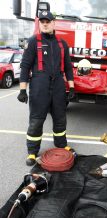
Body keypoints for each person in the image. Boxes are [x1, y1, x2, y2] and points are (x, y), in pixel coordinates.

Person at [17, 10, 75, 166]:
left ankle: (61, 144)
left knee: (60, 119)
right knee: (36, 120)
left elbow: (68, 68)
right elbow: (25, 67)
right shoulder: (32, 42)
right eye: (42, 22)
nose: (45, 24)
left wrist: (71, 87)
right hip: (39, 86)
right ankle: (32, 152)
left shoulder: (62, 44)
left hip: (58, 86)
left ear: (54, 23)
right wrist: (23, 90)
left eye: (48, 21)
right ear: (39, 24)